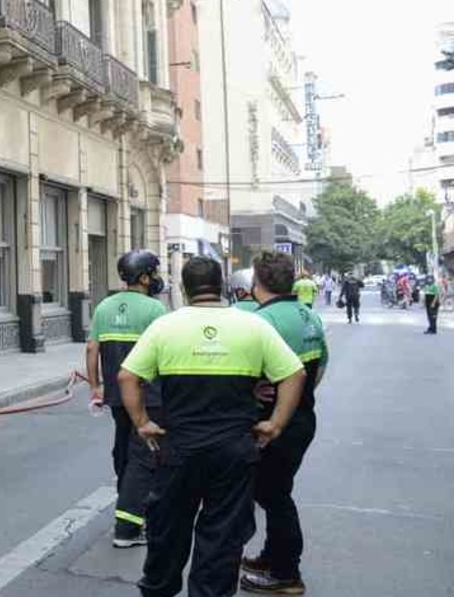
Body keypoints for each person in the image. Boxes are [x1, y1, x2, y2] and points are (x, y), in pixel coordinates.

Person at [119, 256, 306, 597]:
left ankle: (159, 590)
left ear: (183, 287)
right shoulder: (253, 326)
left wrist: (142, 423)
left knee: (168, 531)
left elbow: (127, 376)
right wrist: (275, 423)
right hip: (234, 453)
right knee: (222, 539)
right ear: (221, 285)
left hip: (178, 450)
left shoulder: (165, 326)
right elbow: (295, 373)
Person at [241, 252, 329, 595]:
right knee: (275, 491)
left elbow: (246, 374)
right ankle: (272, 556)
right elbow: (318, 368)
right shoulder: (309, 316)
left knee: (274, 496)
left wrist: (258, 394)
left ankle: (286, 574)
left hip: (272, 424)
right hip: (303, 417)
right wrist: (298, 397)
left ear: (256, 283)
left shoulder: (262, 321)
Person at [86, 250, 169, 548]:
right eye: (154, 273)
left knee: (123, 449)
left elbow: (92, 349)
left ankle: (127, 502)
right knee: (146, 456)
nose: (157, 279)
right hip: (148, 396)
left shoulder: (104, 307)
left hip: (116, 396)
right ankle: (131, 522)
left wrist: (95, 386)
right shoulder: (154, 310)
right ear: (144, 277)